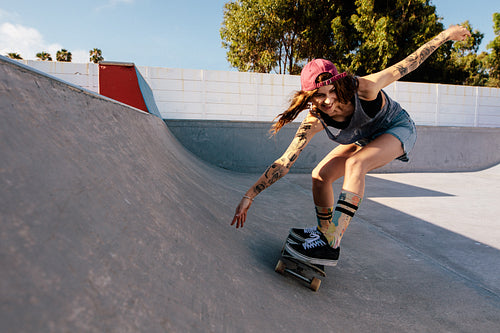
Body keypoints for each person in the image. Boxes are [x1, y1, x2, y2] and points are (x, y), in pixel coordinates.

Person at [230, 25, 471, 266]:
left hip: (399, 129)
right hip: (367, 139)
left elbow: (410, 63)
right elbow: (285, 162)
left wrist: (446, 35)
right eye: (318, 95)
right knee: (320, 175)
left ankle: (331, 243)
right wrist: (249, 195)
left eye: (332, 91)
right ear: (308, 97)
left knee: (357, 163)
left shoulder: (364, 88)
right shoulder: (314, 120)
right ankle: (324, 233)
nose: (327, 101)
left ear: (339, 84)